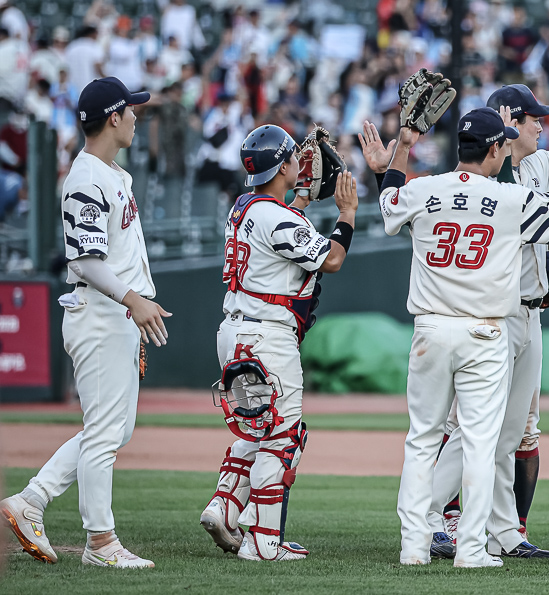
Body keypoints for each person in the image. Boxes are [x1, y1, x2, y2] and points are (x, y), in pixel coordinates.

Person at [381, 107, 549, 568]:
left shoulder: (425, 189)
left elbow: (388, 197)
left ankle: (413, 546)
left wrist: (404, 143)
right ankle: (471, 549)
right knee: (479, 441)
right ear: (496, 149)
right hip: (484, 331)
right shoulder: (509, 198)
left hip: (430, 328)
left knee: (422, 439)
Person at [1, 77, 169, 568]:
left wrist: (133, 303)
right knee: (103, 433)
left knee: (114, 430)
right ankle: (101, 543)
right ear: (113, 117)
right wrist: (133, 299)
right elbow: (86, 261)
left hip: (113, 313)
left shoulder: (109, 173)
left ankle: (31, 501)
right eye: (131, 110)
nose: (138, 116)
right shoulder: (86, 178)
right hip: (100, 313)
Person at [199, 125, 357, 561]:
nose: (299, 161)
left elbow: (279, 224)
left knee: (259, 426)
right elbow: (334, 258)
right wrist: (347, 213)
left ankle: (224, 507)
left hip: (234, 331)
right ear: (282, 165)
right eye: (292, 157)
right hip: (266, 336)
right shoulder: (276, 216)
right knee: (283, 435)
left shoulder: (243, 206)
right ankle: (264, 542)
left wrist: (301, 196)